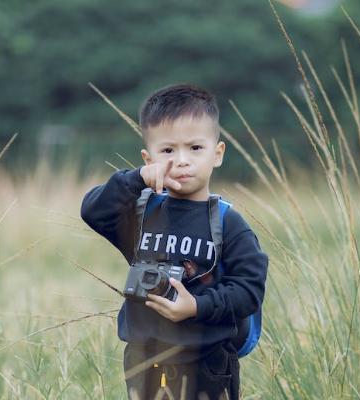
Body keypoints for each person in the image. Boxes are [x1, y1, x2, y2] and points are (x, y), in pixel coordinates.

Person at [81, 83, 269, 399]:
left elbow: (249, 291)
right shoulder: (140, 212)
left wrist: (197, 306)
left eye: (195, 148)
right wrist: (136, 178)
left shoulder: (228, 223)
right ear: (148, 157)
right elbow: (92, 211)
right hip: (144, 358)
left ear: (217, 154)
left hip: (207, 359)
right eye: (167, 151)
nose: (181, 161)